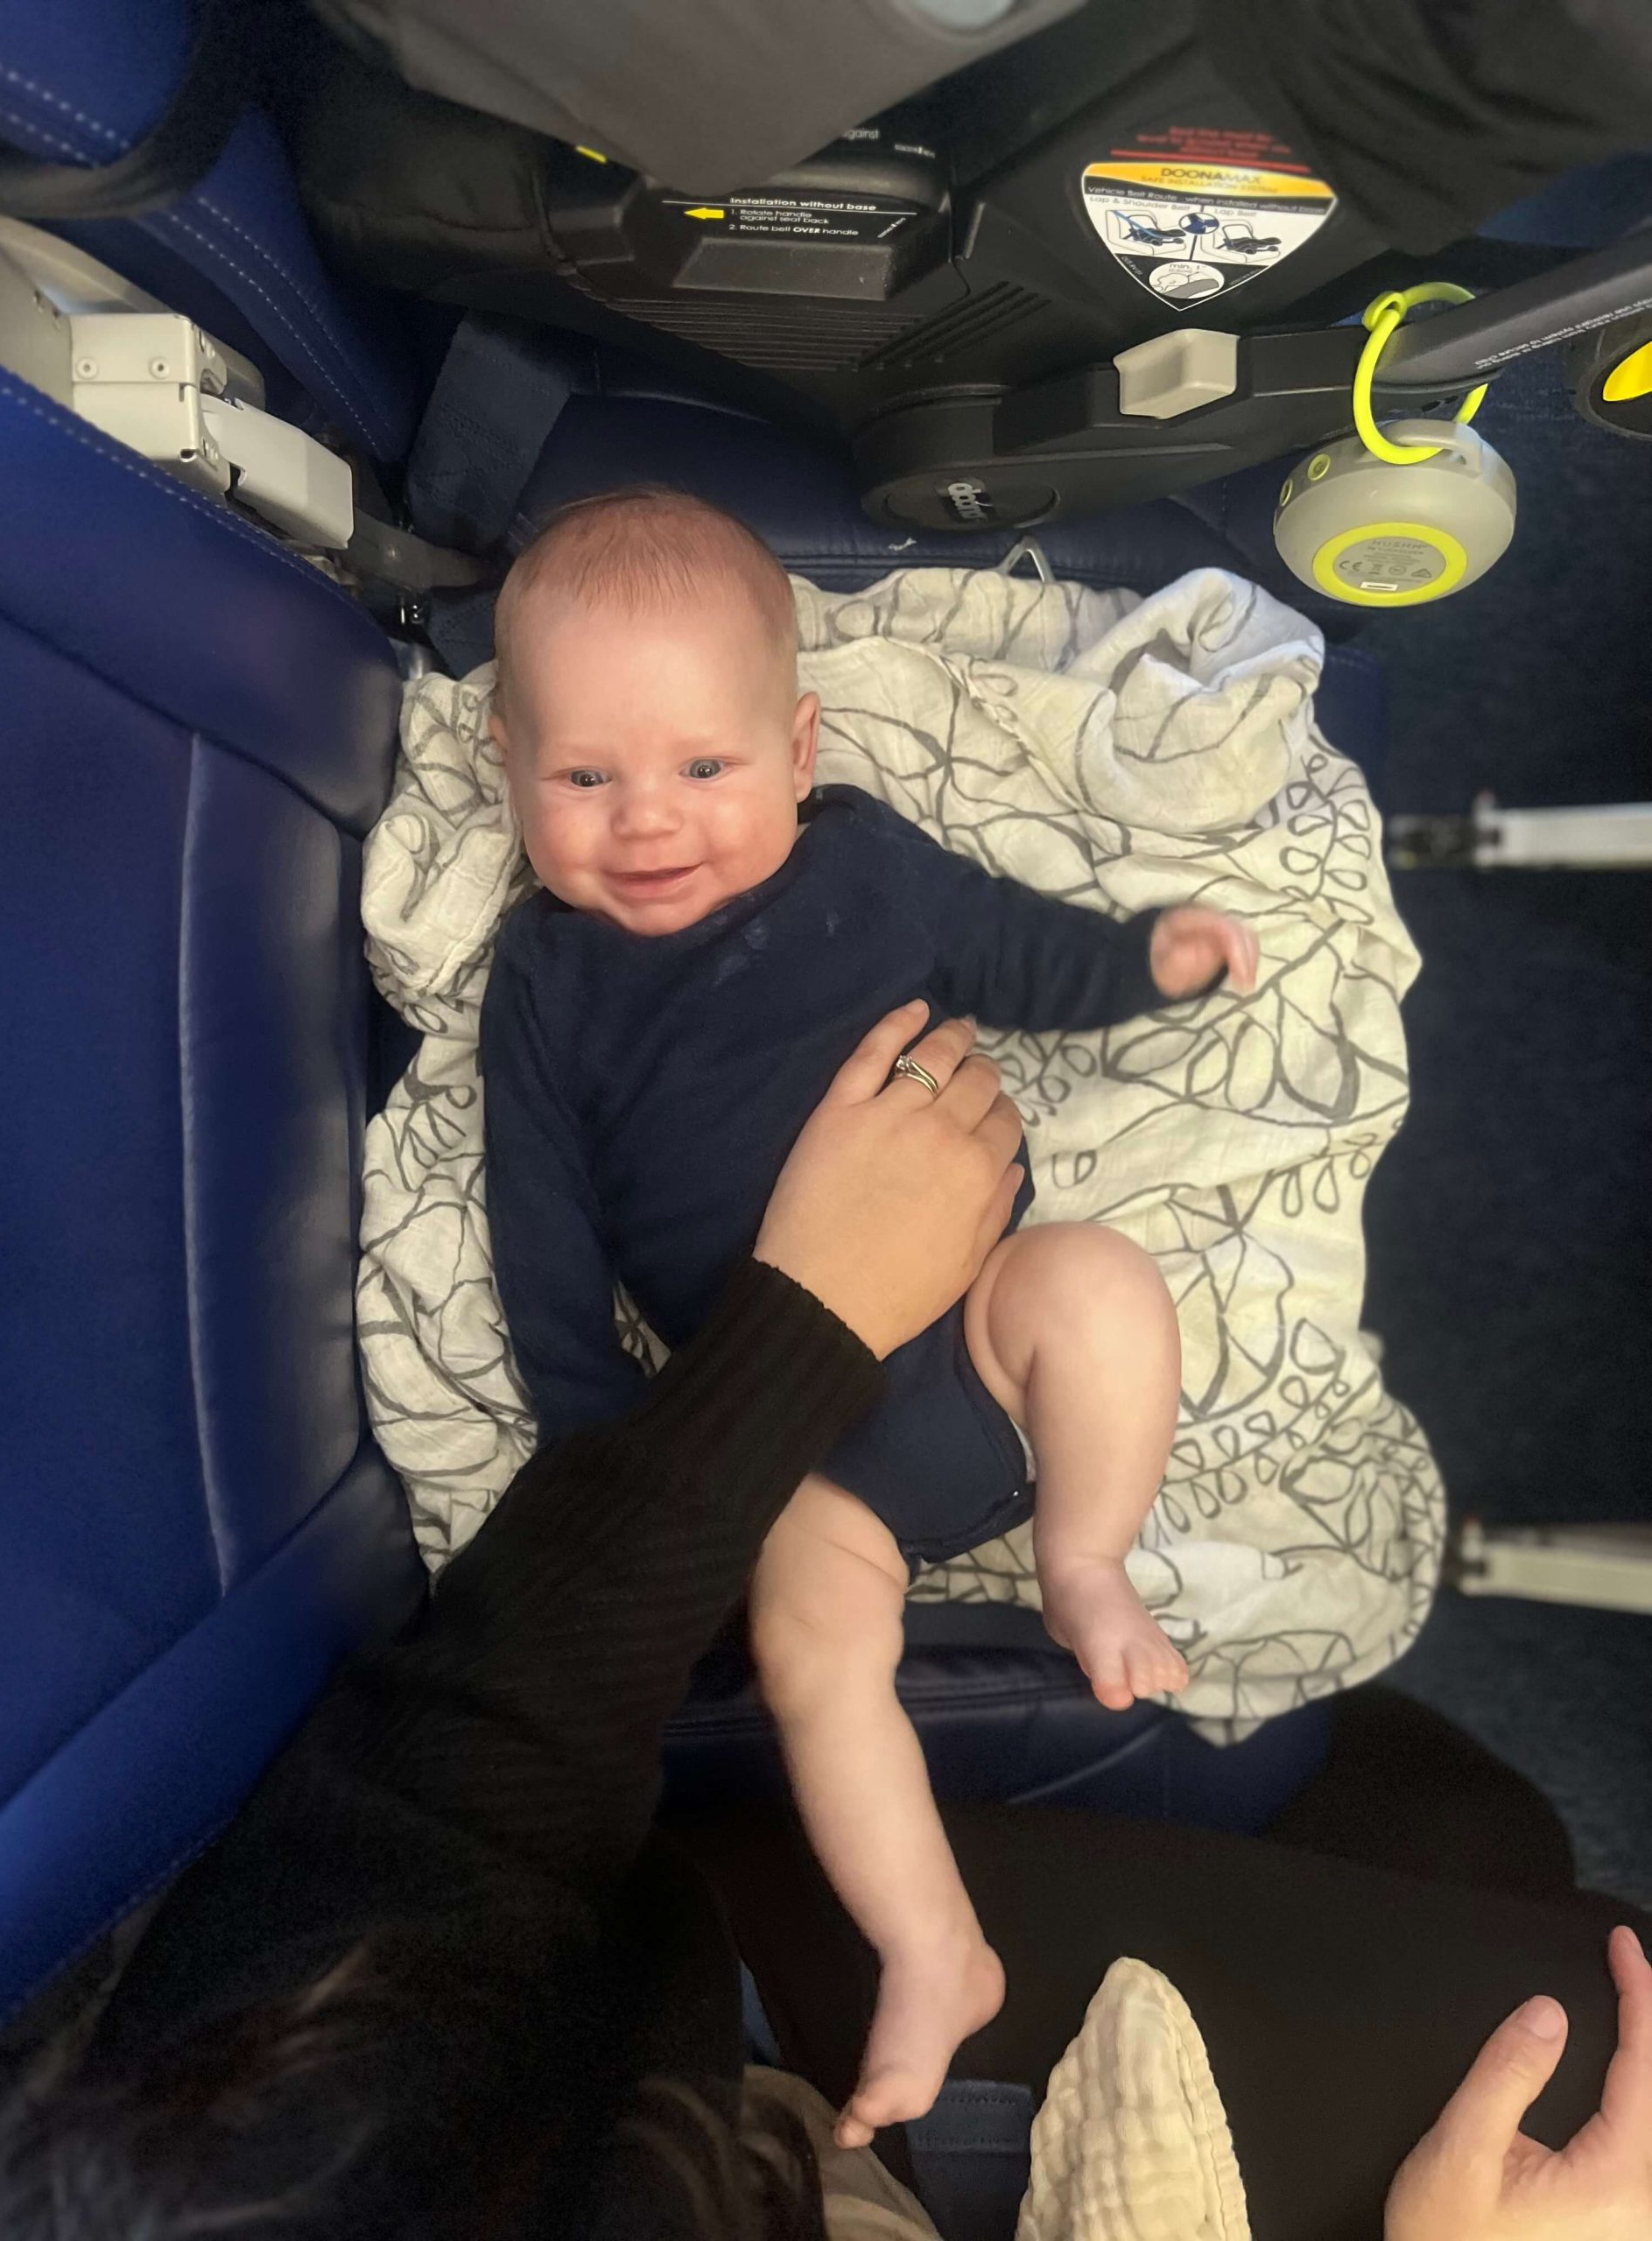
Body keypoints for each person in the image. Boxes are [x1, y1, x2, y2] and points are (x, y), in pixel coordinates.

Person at [0, 1008, 1650, 2241]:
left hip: (715, 2054)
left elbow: (454, 1783)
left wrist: (806, 1324)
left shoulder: (235, 2171)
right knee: (1490, 1862)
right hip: (860, 2128)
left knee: (1464, 1824)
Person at [481, 485, 1262, 2142]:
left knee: (1104, 1283)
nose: (649, 824)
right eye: (584, 777)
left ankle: (1084, 1553)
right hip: (795, 1444)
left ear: (801, 745)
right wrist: (606, 1466)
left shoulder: (873, 872)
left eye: (706, 768)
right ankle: (933, 1947)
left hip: (987, 1327)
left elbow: (1019, 951)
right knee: (809, 1642)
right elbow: (538, 1238)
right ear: (506, 765)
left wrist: (1148, 964)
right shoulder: (546, 987)